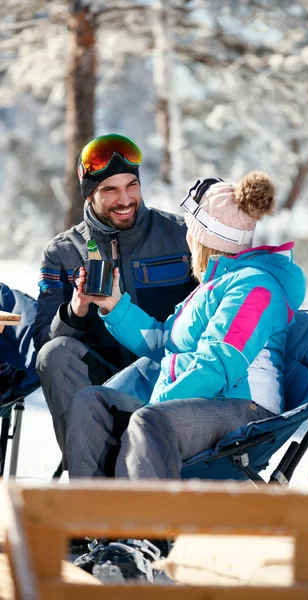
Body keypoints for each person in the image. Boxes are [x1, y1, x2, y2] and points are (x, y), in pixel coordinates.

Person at [65, 171, 306, 581]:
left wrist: (154, 402)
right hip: (199, 398)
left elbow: (220, 362)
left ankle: (144, 542)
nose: (185, 238)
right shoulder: (211, 285)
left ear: (204, 237)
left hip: (242, 406)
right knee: (93, 402)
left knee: (147, 419)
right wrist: (113, 303)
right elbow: (165, 342)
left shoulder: (256, 286)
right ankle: (91, 532)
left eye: (190, 231)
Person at [33, 134, 195, 463]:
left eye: (131, 185)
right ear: (90, 194)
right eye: (109, 190)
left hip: (168, 375)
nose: (125, 199)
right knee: (55, 352)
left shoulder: (183, 237)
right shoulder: (63, 253)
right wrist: (75, 311)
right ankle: (89, 484)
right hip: (101, 381)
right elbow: (41, 345)